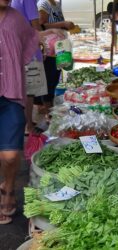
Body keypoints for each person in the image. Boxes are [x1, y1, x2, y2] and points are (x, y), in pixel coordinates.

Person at [0, 0, 62, 224]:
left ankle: (8, 188)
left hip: (10, 95)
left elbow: (31, 37)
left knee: (10, 155)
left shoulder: (15, 18)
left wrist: (49, 32)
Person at [11, 0, 48, 134]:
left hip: (16, 51)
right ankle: (29, 127)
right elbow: (35, 26)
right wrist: (43, 46)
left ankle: (26, 122)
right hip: (29, 53)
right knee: (29, 92)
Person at [35, 0, 74, 115]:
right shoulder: (44, 4)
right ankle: (47, 109)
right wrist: (62, 24)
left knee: (55, 77)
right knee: (49, 79)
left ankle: (49, 106)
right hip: (49, 50)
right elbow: (40, 25)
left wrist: (66, 27)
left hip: (59, 48)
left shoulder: (56, 4)